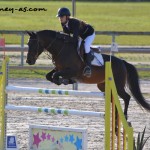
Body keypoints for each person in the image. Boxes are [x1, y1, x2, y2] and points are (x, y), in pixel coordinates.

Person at [56, 7, 95, 78]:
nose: (60, 18)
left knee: (86, 46)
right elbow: (67, 35)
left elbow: (74, 39)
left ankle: (88, 67)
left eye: (61, 16)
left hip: (89, 34)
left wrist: (63, 36)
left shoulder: (75, 23)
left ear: (67, 17)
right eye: (59, 17)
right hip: (81, 35)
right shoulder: (63, 23)